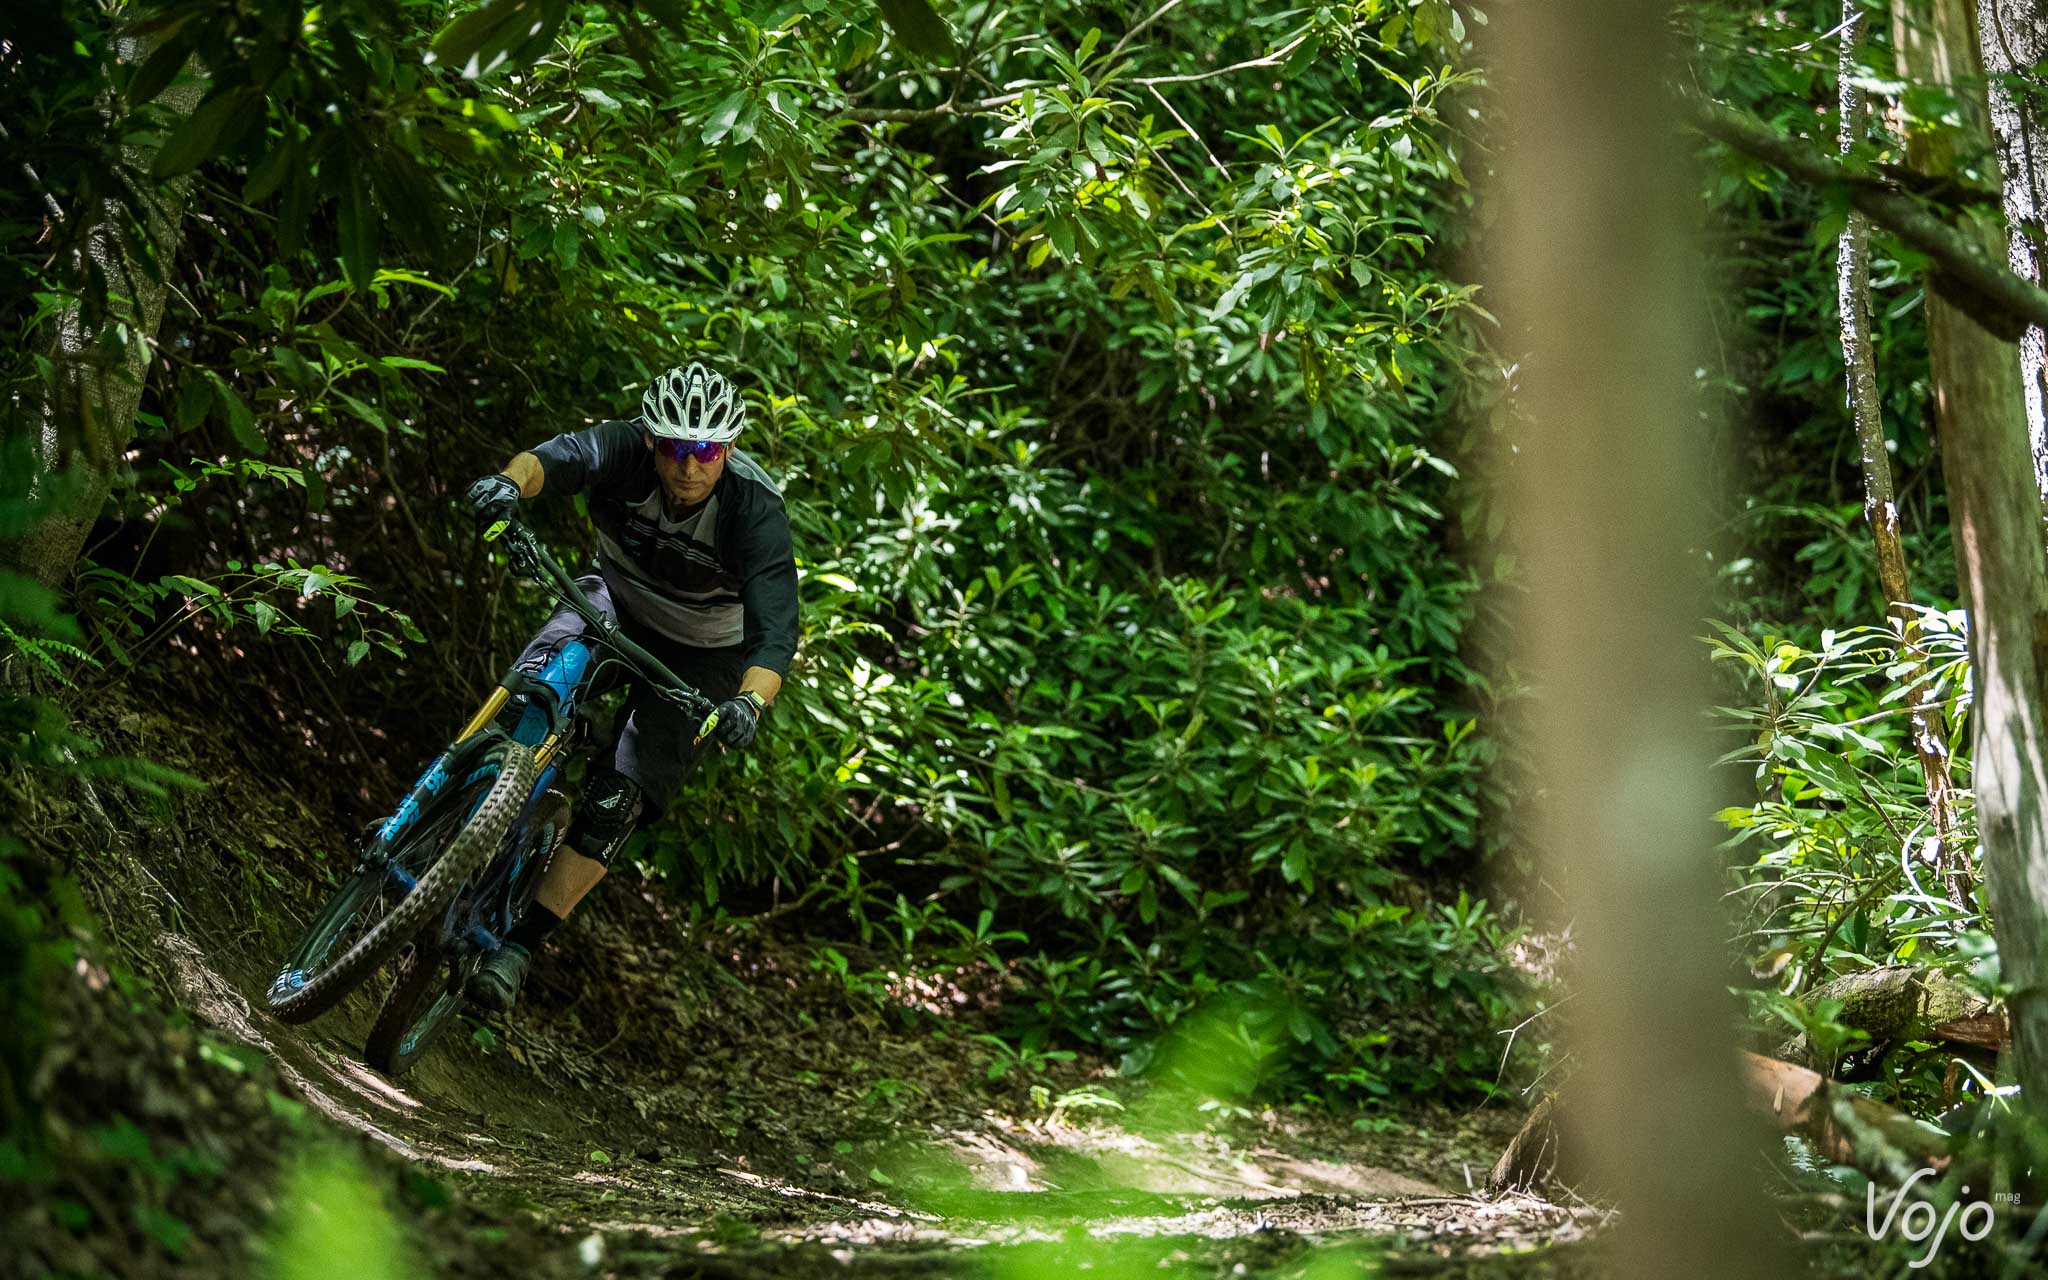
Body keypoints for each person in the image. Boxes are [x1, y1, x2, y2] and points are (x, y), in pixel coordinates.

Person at [458, 361, 798, 1012]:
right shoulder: (621, 448)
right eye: (675, 447)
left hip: (704, 653)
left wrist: (749, 702)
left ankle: (518, 947)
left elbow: (775, 633)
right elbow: (548, 462)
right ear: (651, 441)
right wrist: (505, 485)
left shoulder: (754, 512)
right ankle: (446, 800)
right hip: (612, 599)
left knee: (621, 796)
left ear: (727, 448)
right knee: (535, 685)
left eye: (706, 450)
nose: (689, 466)